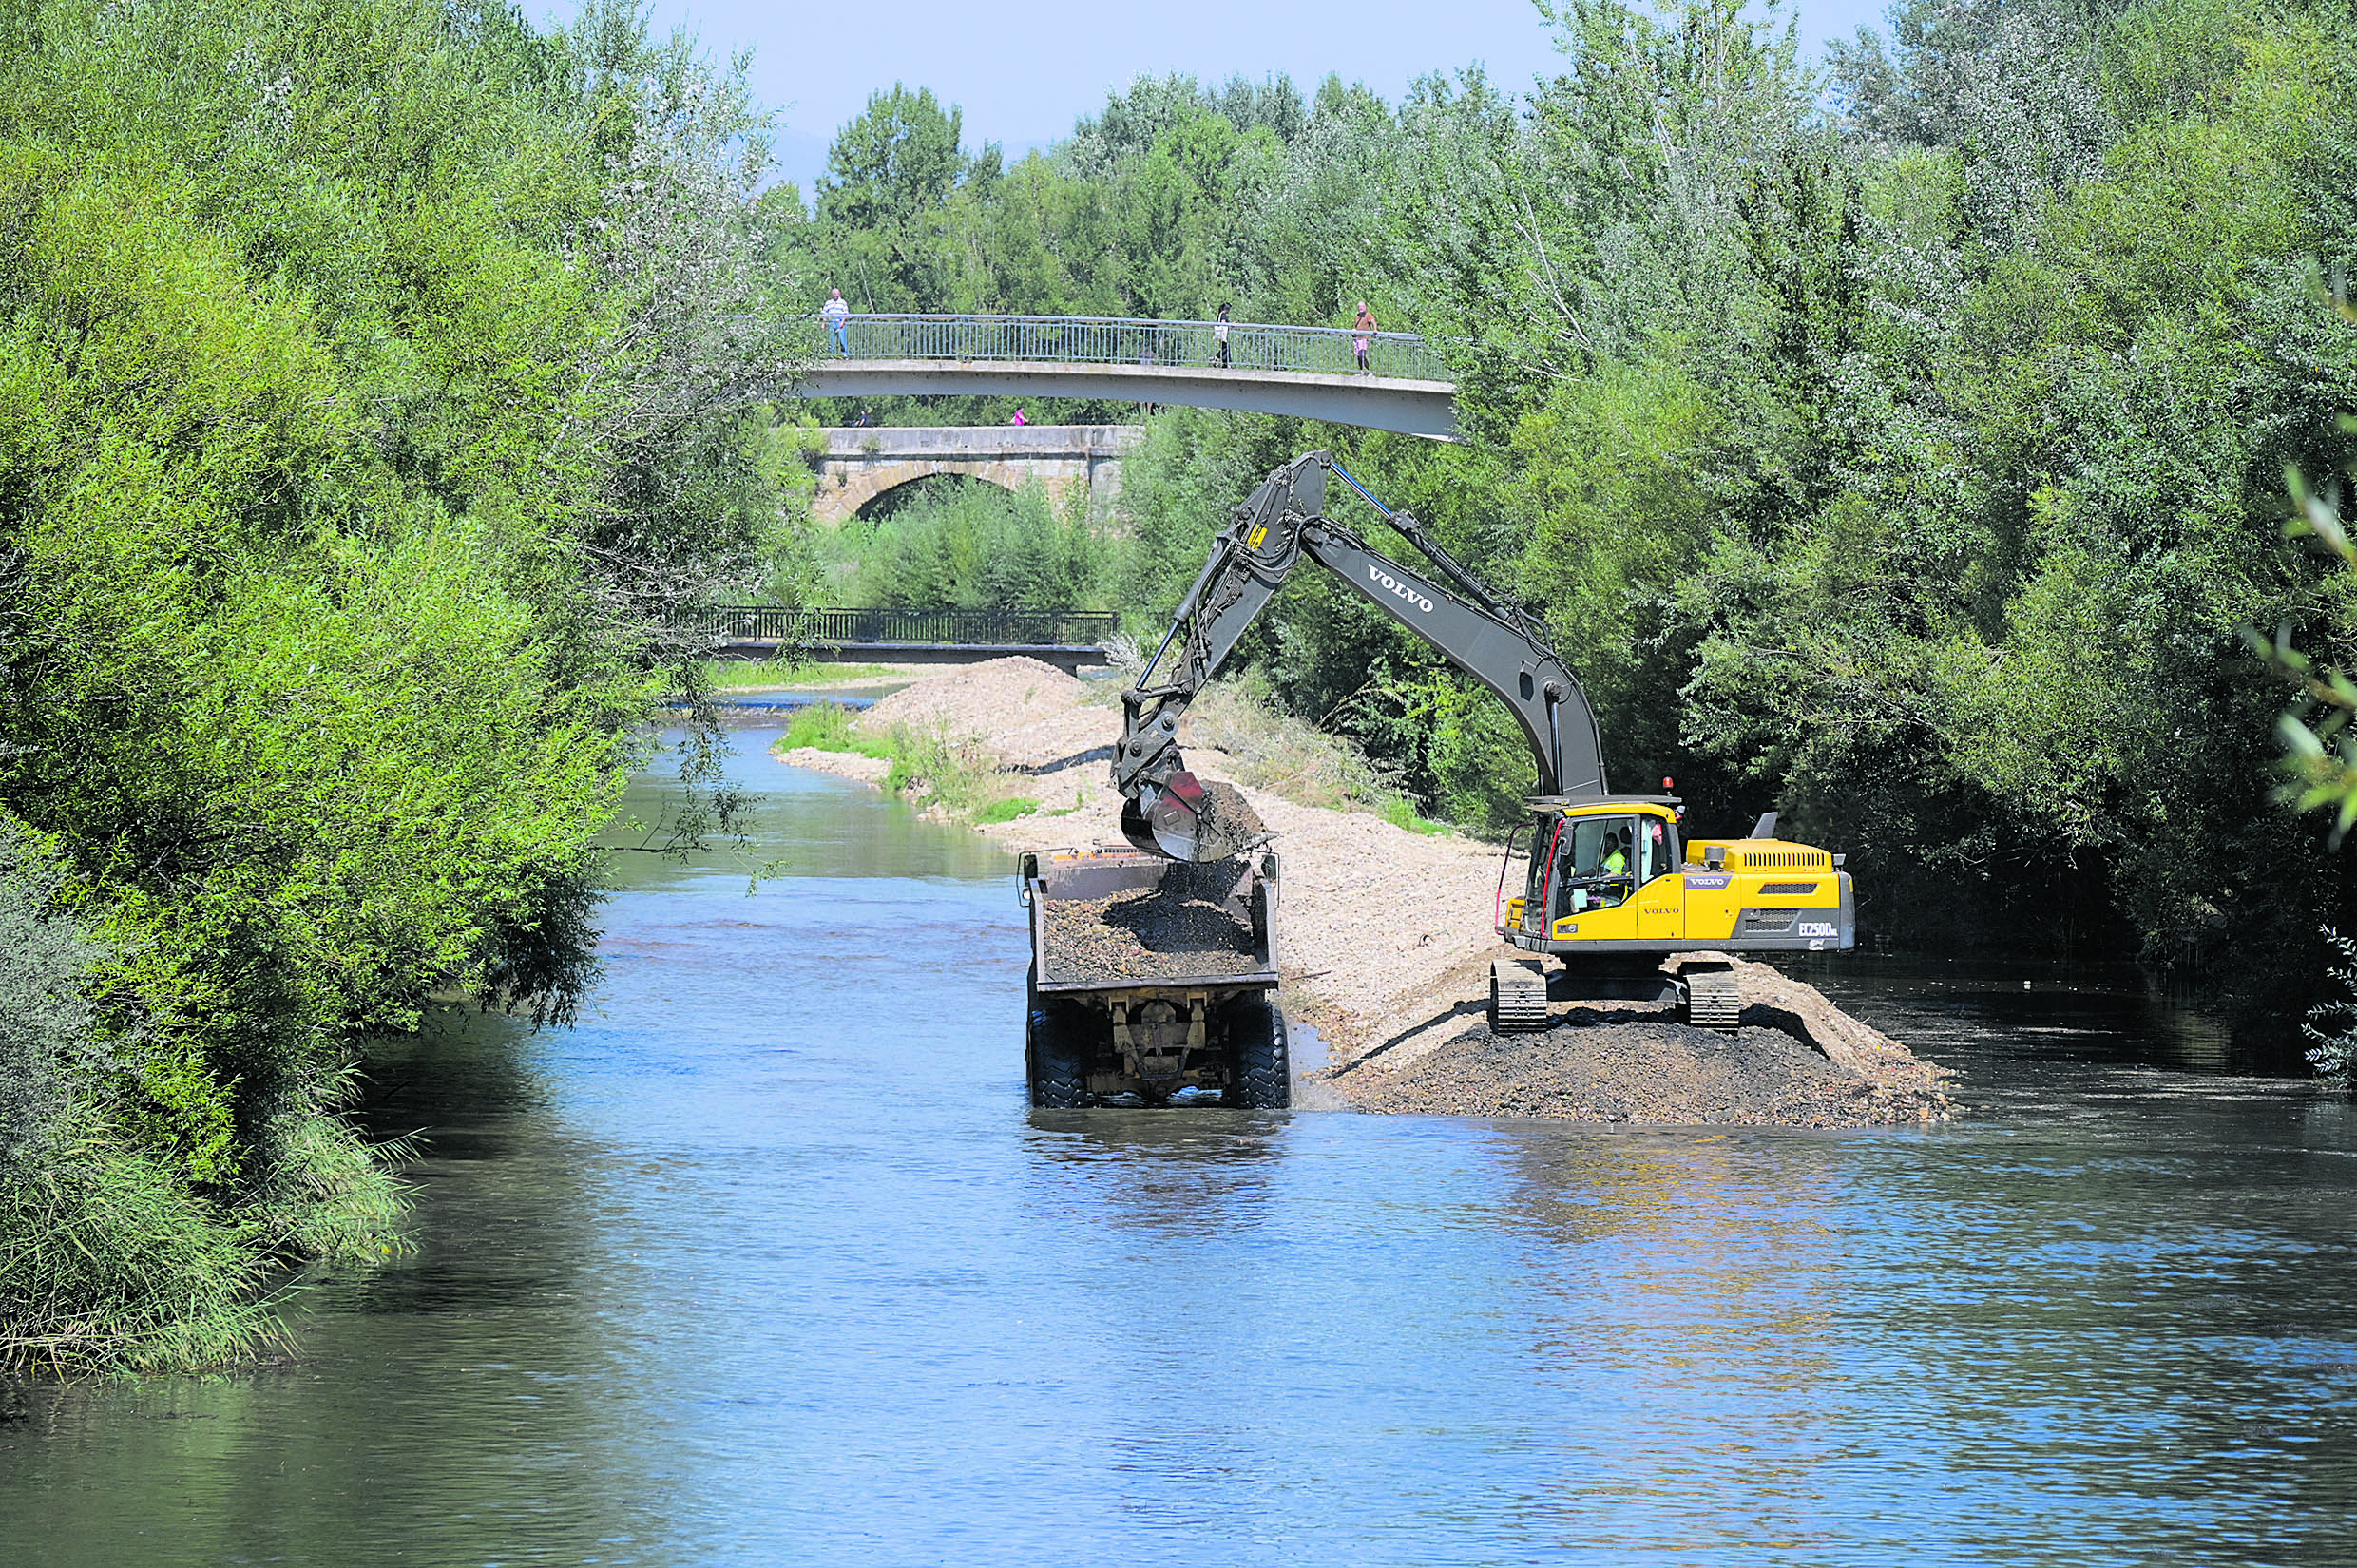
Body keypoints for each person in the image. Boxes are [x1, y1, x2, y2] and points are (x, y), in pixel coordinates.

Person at [821, 287, 851, 354]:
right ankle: (831, 354)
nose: (836, 295)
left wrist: (842, 322)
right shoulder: (828, 303)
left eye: (837, 294)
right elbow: (825, 313)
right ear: (832, 294)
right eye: (835, 294)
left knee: (842, 339)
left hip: (840, 321)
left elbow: (845, 313)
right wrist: (823, 323)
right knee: (831, 340)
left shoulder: (843, 302)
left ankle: (845, 354)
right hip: (831, 322)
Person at [1352, 300, 1376, 372]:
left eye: (1362, 306)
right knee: (1358, 355)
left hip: (1364, 338)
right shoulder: (1357, 316)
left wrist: (1375, 329)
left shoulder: (1368, 315)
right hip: (1357, 338)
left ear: (1365, 307)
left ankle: (1368, 370)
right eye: (1359, 307)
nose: (1360, 308)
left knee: (1362, 354)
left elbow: (1373, 322)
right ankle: (1361, 370)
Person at [1214, 302, 1232, 369]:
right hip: (1223, 335)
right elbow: (1223, 323)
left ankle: (1226, 363)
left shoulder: (1220, 314)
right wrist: (1231, 324)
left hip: (1221, 334)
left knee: (1225, 347)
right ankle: (1216, 358)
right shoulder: (1223, 315)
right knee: (1226, 347)